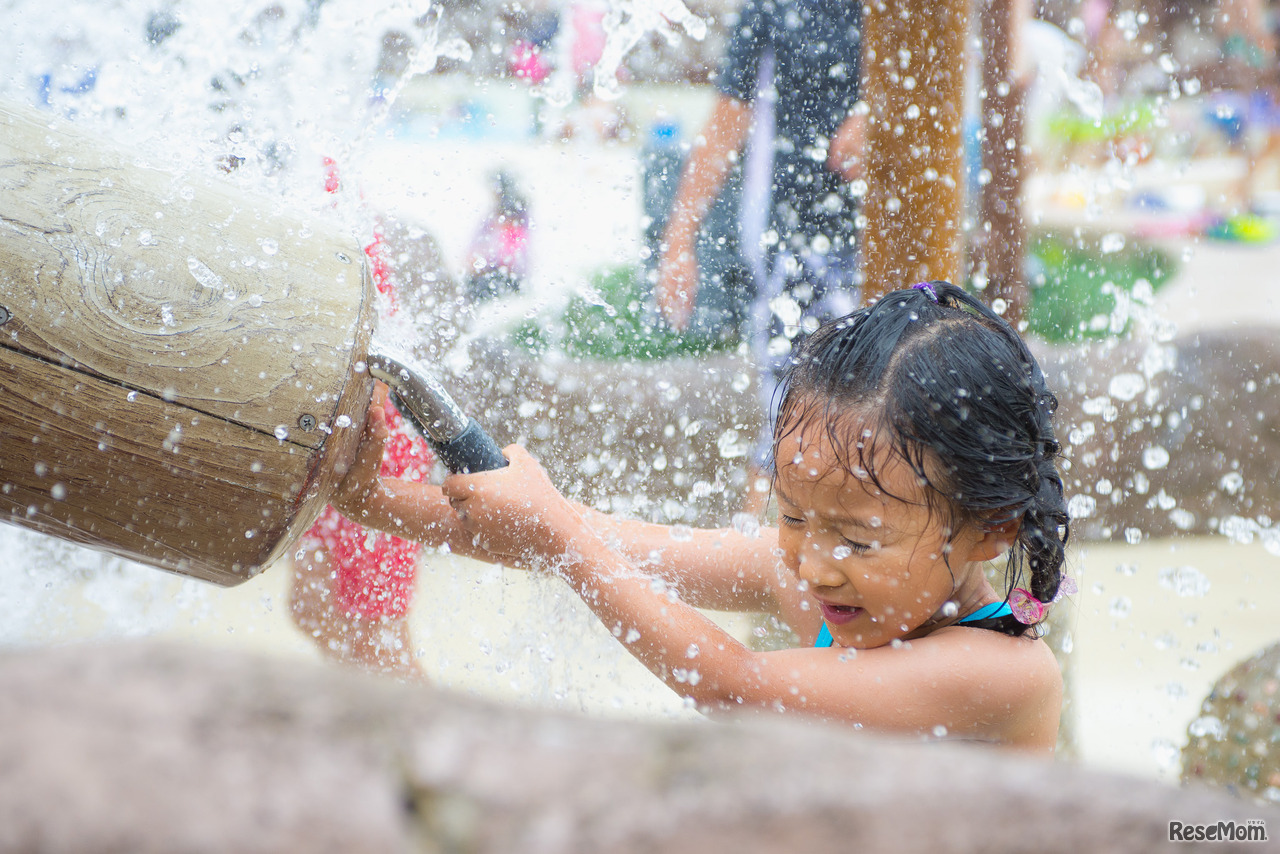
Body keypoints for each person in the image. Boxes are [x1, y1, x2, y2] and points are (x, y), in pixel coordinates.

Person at [334, 282, 1071, 751]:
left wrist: (556, 530)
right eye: (792, 516)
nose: (813, 563)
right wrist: (376, 501)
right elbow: (585, 537)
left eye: (857, 537)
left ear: (992, 526)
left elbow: (731, 685)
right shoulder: (827, 584)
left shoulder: (1003, 675)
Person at [655, 0, 866, 512]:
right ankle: (760, 563)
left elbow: (956, 72)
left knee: (879, 406)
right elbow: (729, 119)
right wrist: (678, 241)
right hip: (794, 240)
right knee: (790, 408)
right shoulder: (774, 8)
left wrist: (880, 109)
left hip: (890, 236)